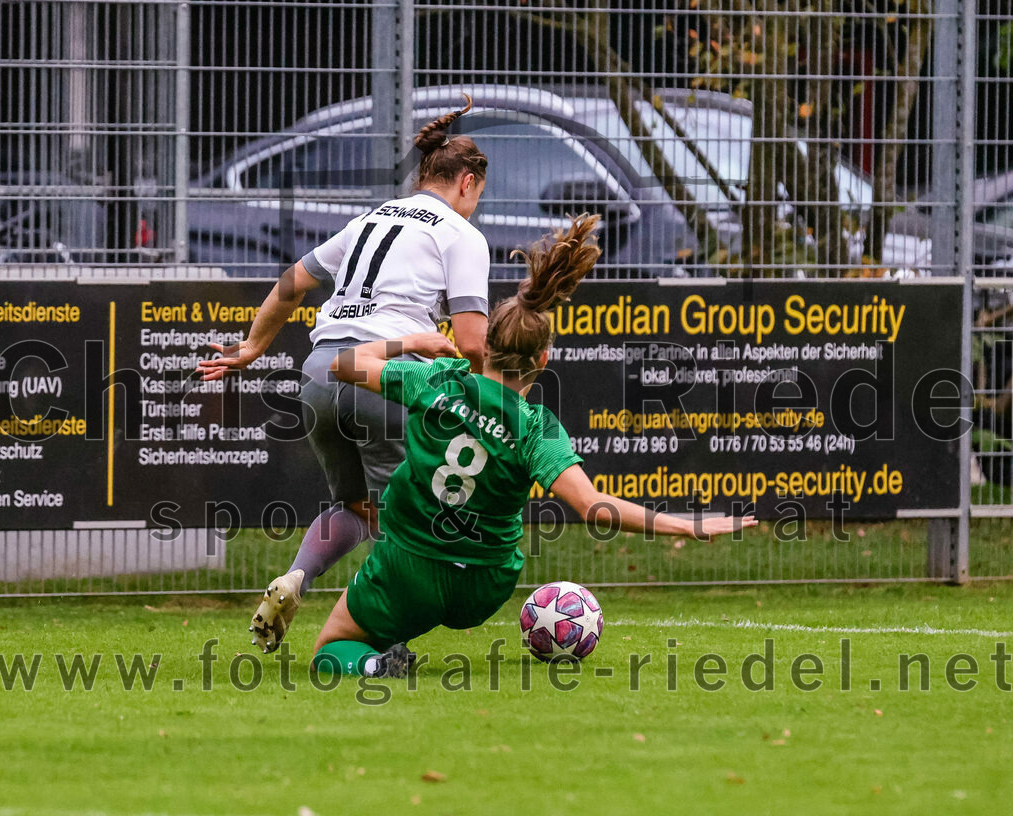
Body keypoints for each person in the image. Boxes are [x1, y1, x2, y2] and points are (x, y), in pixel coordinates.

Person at [311, 213, 758, 678]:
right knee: (422, 600)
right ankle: (390, 639)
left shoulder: (437, 380)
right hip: (483, 586)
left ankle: (373, 664)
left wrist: (415, 340)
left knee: (332, 647)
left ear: (485, 343)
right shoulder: (537, 428)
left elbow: (343, 364)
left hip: (410, 567)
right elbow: (594, 508)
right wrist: (687, 526)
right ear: (543, 358)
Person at [196, 95, 490, 652]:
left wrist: (252, 349)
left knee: (355, 508)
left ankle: (296, 578)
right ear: (468, 183)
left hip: (319, 374)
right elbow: (473, 343)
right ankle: (388, 641)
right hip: (385, 377)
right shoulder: (460, 233)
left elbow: (291, 280)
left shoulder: (370, 219)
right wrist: (487, 405)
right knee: (405, 518)